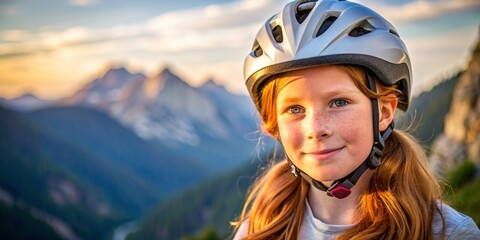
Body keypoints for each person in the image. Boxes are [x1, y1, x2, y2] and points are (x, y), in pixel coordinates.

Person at [231, 0, 480, 239]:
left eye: (339, 102)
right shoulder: (258, 229)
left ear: (384, 112)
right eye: (295, 109)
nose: (315, 129)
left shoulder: (448, 233)